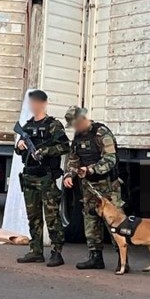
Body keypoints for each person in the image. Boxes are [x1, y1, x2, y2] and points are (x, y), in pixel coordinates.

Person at [62, 106, 123, 271]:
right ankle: (95, 257)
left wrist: (91, 169)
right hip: (89, 186)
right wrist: (69, 175)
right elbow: (73, 160)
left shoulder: (102, 134)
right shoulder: (78, 137)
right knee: (90, 220)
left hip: (108, 185)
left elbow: (111, 159)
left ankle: (122, 260)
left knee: (115, 222)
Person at [16, 90, 70, 267]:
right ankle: (36, 250)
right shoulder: (28, 125)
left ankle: (57, 252)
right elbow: (18, 149)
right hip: (29, 177)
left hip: (46, 177)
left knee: (52, 217)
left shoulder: (53, 125)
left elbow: (64, 147)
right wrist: (21, 145)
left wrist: (44, 151)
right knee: (34, 217)